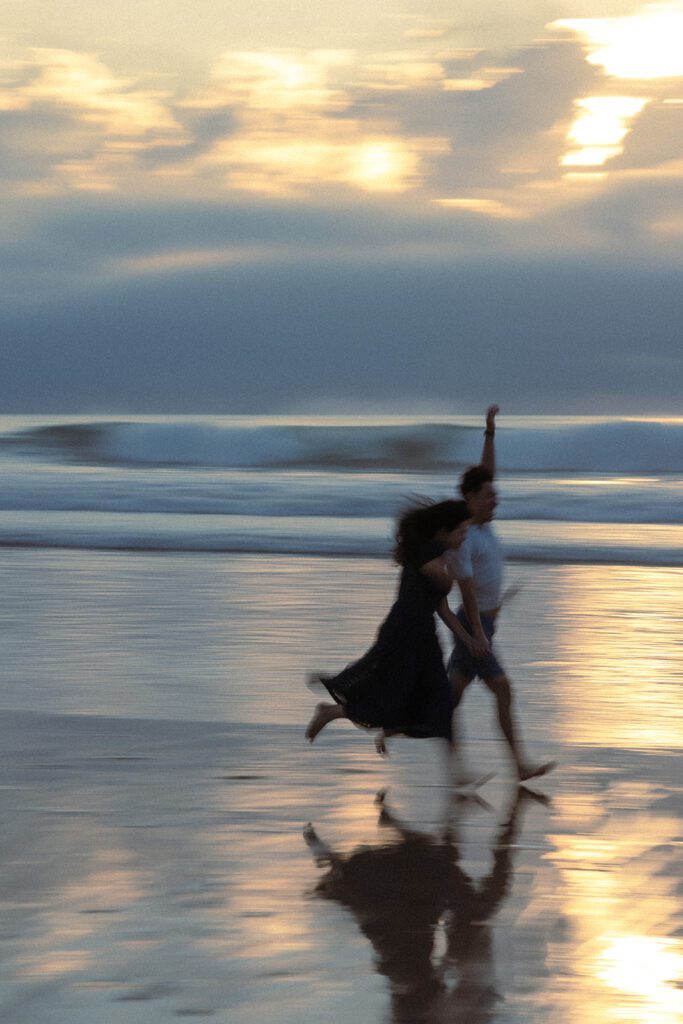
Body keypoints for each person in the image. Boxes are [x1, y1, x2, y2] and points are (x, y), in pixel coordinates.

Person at [305, 499, 477, 760]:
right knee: (389, 700)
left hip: (425, 638)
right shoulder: (429, 553)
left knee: (441, 701)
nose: (465, 538)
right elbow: (447, 580)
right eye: (462, 531)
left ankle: (460, 772)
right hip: (403, 633)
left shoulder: (439, 555)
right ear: (444, 531)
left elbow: (443, 609)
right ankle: (330, 712)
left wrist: (469, 639)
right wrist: (460, 567)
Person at [444, 406, 554, 783]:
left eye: (495, 494)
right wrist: (478, 633)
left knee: (449, 698)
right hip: (474, 626)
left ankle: (393, 726)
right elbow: (466, 588)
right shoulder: (464, 536)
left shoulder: (482, 523)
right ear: (471, 499)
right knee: (500, 689)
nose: (496, 500)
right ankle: (510, 766)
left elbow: (486, 473)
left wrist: (489, 432)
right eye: (489, 496)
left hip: (483, 623)